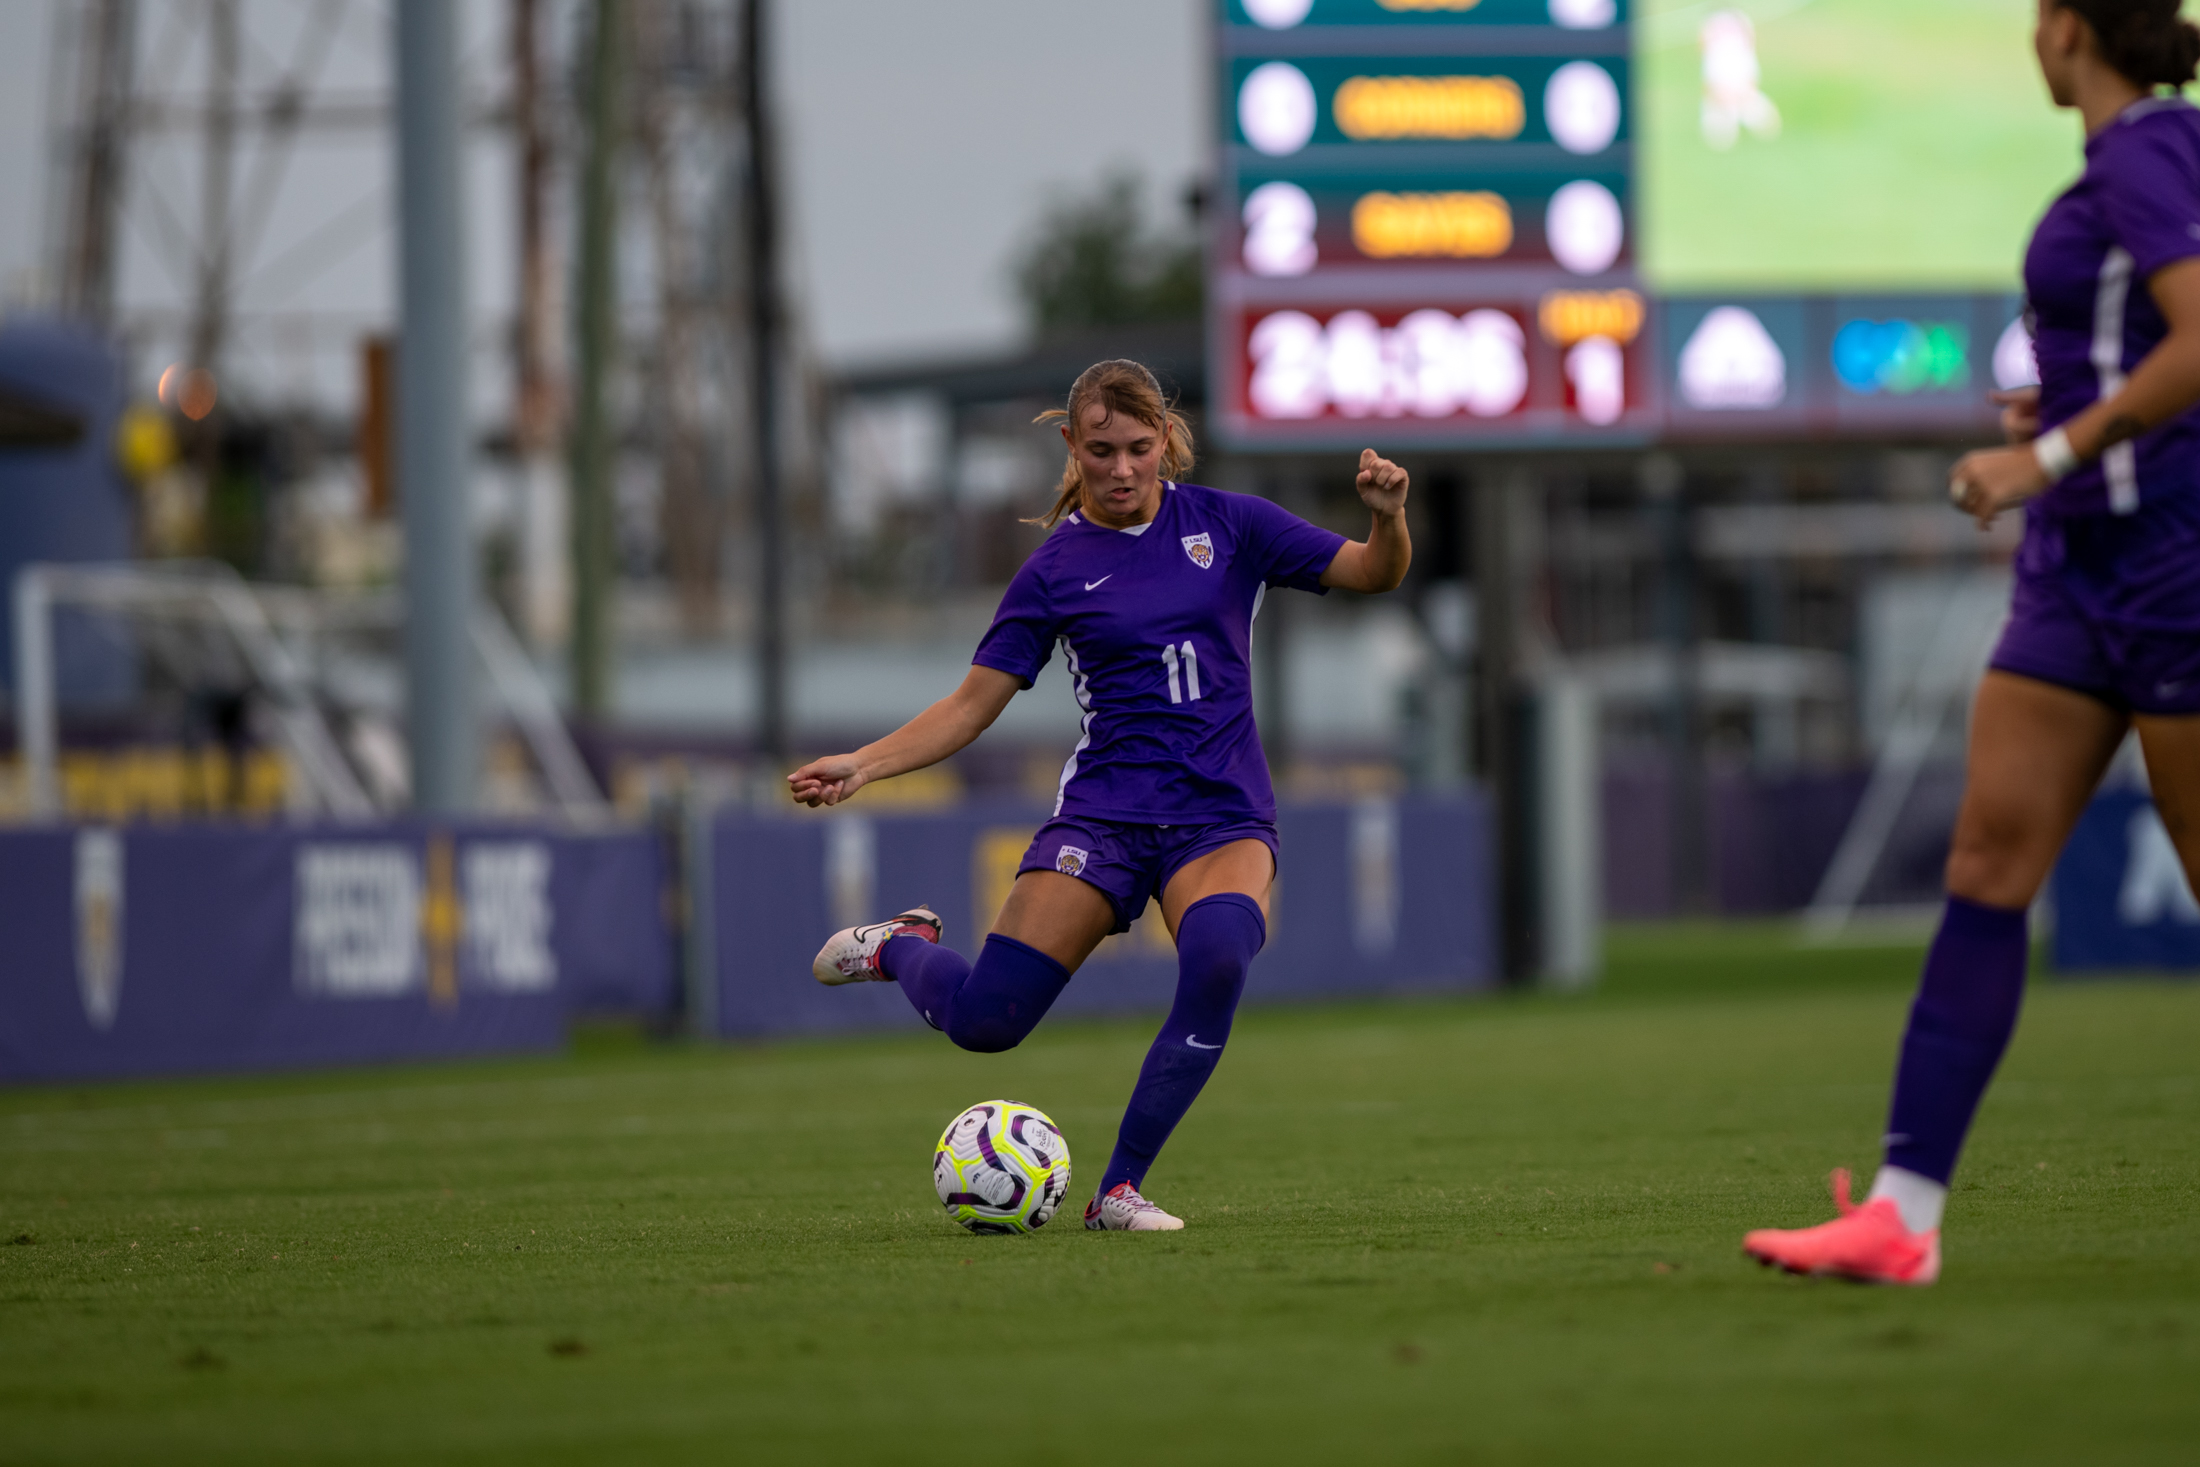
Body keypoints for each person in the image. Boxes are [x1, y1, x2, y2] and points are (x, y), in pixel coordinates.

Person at [1744, 0, 2200, 1284]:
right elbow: (2147, 344)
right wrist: (2061, 407)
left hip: (2167, 560)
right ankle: (1901, 1215)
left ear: (2066, 28)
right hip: (2077, 568)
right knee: (1988, 860)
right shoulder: (2137, 155)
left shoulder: (2148, 147)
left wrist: (2039, 450)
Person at [790, 359, 1411, 1231]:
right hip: (1105, 820)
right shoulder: (1054, 571)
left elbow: (1372, 573)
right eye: (1101, 450)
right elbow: (972, 705)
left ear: (1167, 440)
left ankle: (1118, 1189)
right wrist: (864, 762)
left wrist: (1389, 521)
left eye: (1138, 447)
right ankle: (899, 947)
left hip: (1220, 815)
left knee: (1221, 955)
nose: (1122, 468)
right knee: (985, 1023)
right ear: (1071, 449)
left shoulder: (1230, 525)